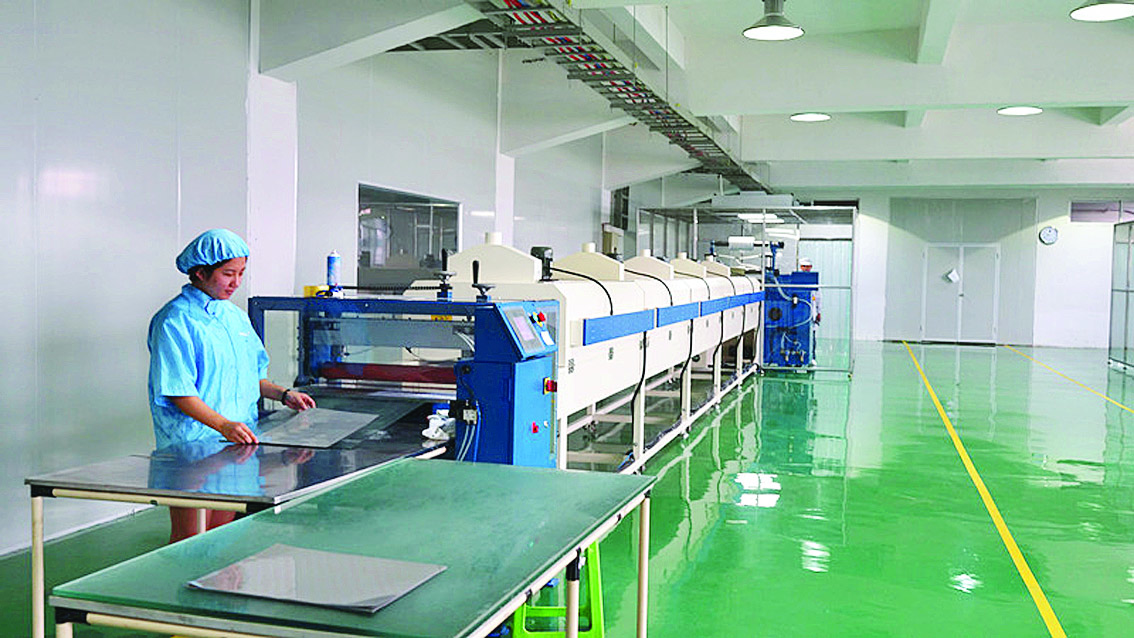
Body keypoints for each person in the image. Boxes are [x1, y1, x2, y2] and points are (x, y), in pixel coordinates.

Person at [148, 228, 316, 542]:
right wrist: (224, 425)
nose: (236, 282)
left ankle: (221, 575)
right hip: (193, 446)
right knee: (190, 539)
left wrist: (283, 394)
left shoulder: (235, 318)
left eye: (241, 273)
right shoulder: (176, 320)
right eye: (228, 274)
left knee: (222, 536)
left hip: (237, 443)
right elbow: (179, 392)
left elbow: (252, 376)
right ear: (200, 272)